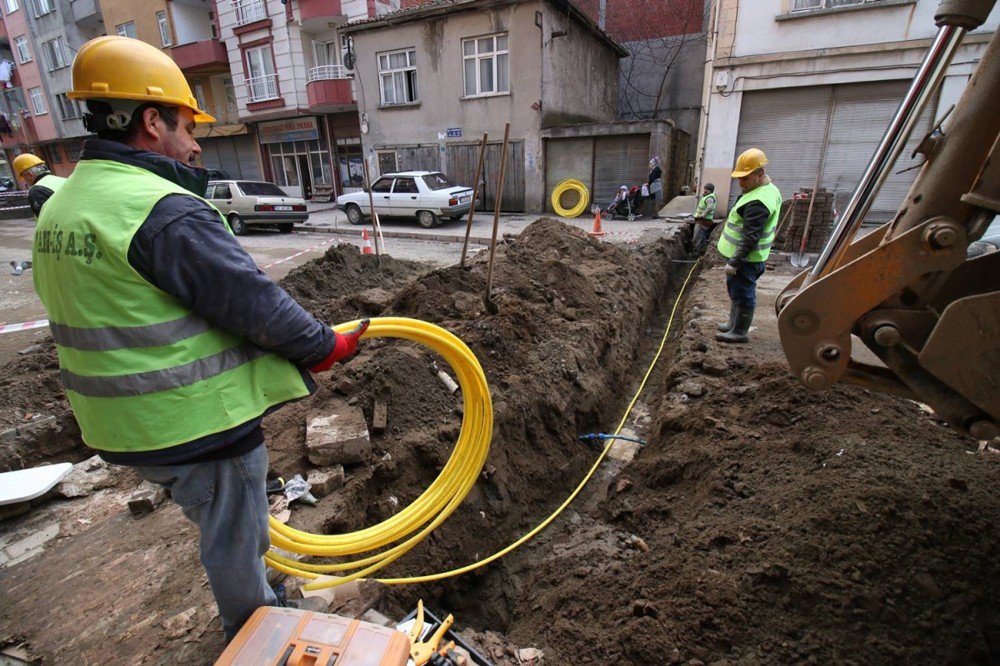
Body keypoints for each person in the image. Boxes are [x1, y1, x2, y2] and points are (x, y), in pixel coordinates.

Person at [31, 36, 367, 641]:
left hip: (119, 424)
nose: (195, 143)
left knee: (223, 519)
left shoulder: (65, 203)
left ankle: (261, 604)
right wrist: (325, 346)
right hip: (191, 420)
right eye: (188, 126)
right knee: (236, 535)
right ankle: (258, 629)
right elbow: (252, 303)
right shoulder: (160, 209)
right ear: (151, 121)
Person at [715, 148, 782, 344]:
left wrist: (735, 261)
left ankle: (739, 332)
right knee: (737, 291)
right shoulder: (767, 189)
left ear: (759, 175)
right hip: (748, 258)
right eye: (739, 178)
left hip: (746, 260)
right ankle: (732, 324)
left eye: (745, 178)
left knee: (743, 294)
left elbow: (750, 237)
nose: (740, 182)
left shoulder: (758, 202)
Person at [12, 153, 66, 217]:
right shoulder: (63, 180)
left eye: (24, 176)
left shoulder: (36, 191)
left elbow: (45, 219)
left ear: (30, 175)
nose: (25, 180)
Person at [691, 183, 718, 256]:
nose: (705, 190)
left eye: (706, 189)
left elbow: (709, 207)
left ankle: (695, 254)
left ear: (710, 190)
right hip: (704, 221)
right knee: (702, 237)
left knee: (696, 238)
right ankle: (703, 253)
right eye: (704, 189)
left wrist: (702, 215)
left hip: (703, 221)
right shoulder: (709, 197)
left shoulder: (710, 198)